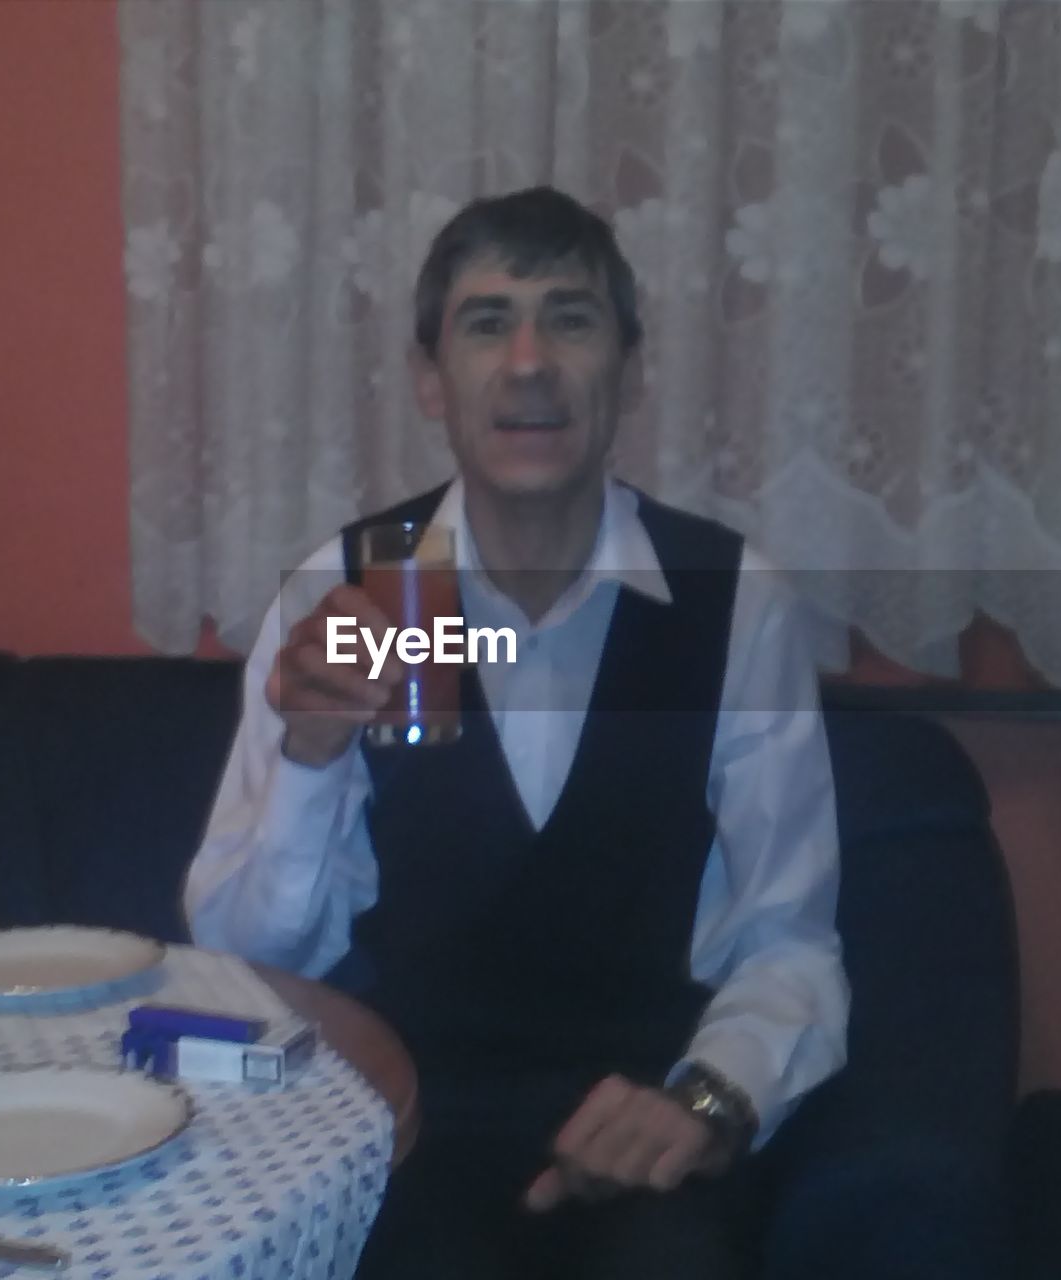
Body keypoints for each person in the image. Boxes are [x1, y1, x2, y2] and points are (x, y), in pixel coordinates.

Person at [184, 186, 849, 1279]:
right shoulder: (354, 589)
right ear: (429, 379)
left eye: (570, 318)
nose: (529, 360)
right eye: (487, 321)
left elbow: (786, 938)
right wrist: (308, 753)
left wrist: (705, 1099)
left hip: (636, 1128)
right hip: (396, 1126)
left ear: (625, 370)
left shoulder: (731, 600)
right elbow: (250, 969)